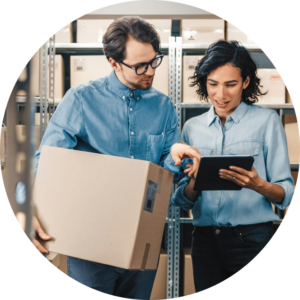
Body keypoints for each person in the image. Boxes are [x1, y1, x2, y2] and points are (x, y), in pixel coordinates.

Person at [31, 16, 200, 300]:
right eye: (139, 66)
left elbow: (166, 182)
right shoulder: (82, 101)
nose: (150, 72)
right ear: (113, 63)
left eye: (154, 61)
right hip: (90, 244)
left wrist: (173, 157)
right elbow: (46, 163)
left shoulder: (163, 107)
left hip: (142, 242)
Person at [171, 40, 295, 300]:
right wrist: (194, 180)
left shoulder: (266, 122)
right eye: (213, 84)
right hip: (205, 241)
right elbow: (182, 200)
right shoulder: (192, 128)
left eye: (230, 84)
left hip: (252, 239)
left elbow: (286, 193)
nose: (221, 95)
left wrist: (257, 184)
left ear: (246, 82)